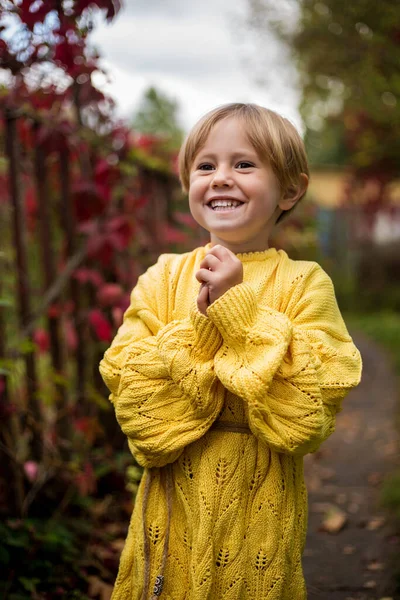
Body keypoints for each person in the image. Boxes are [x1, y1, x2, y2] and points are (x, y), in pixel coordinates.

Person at [99, 103, 362, 600]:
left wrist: (238, 312)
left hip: (259, 508)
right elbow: (137, 406)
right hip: (171, 510)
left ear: (290, 188)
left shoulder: (305, 284)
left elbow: (306, 414)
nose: (221, 178)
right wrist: (209, 336)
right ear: (187, 184)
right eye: (205, 166)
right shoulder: (162, 279)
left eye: (244, 164)